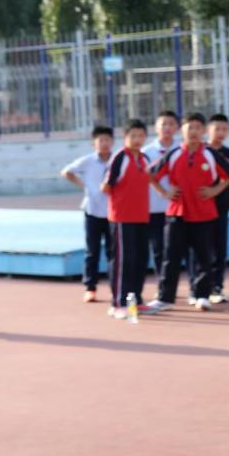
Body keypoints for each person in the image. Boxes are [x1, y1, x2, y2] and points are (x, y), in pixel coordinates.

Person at [147, 113, 229, 312]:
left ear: (203, 131)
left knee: (203, 257)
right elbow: (150, 174)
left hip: (204, 213)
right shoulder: (173, 154)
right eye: (190, 128)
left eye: (198, 128)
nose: (194, 132)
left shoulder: (211, 154)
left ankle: (202, 295)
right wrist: (164, 192)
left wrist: (215, 190)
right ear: (182, 130)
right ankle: (165, 298)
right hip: (176, 213)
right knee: (170, 256)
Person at [101, 120, 151, 319]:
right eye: (133, 136)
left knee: (140, 259)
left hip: (141, 216)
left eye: (141, 136)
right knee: (123, 260)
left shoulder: (145, 158)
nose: (137, 140)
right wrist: (121, 202)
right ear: (125, 137)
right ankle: (118, 303)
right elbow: (106, 186)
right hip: (122, 218)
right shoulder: (120, 158)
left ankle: (135, 300)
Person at [62, 125, 114, 303]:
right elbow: (66, 172)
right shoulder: (87, 161)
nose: (104, 143)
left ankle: (115, 287)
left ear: (112, 142)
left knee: (113, 252)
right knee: (92, 251)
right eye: (101, 140)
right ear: (94, 143)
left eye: (107, 140)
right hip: (92, 210)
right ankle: (90, 288)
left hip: (113, 212)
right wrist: (84, 185)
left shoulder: (117, 159)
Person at [204, 114, 229, 303]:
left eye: (224, 129)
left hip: (221, 207)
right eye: (217, 129)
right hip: (200, 208)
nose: (221, 133)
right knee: (201, 247)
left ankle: (217, 287)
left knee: (219, 247)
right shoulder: (201, 151)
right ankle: (199, 287)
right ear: (208, 130)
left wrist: (216, 190)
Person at [143, 111, 179, 275]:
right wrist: (163, 192)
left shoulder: (181, 149)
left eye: (171, 124)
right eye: (163, 124)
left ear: (177, 127)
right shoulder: (146, 152)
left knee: (176, 247)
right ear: (156, 128)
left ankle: (173, 281)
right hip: (154, 207)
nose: (167, 128)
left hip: (178, 207)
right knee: (158, 246)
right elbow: (145, 177)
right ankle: (162, 281)